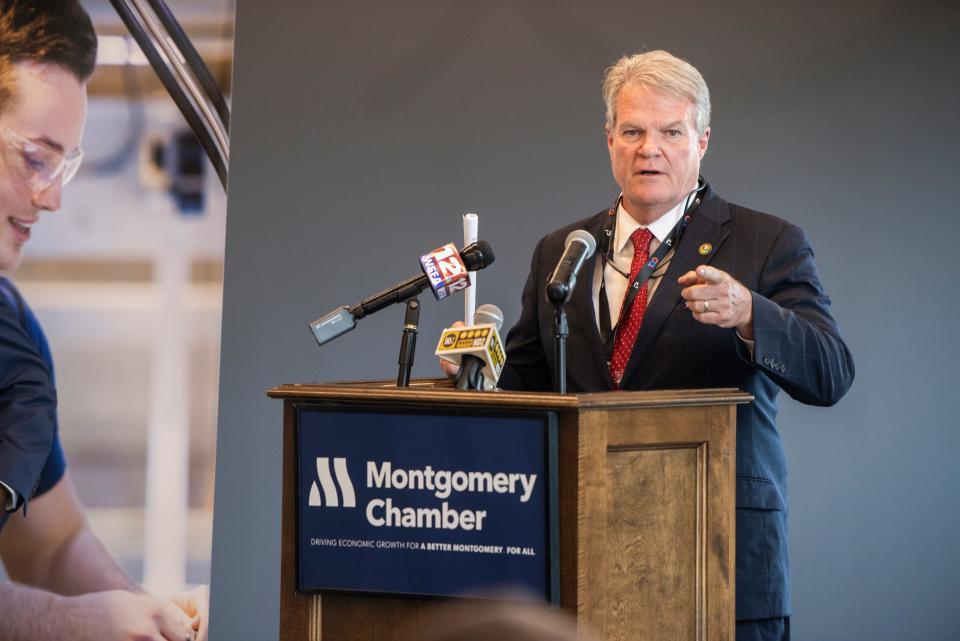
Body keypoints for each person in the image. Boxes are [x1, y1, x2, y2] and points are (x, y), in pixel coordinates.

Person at [446, 50, 854, 640]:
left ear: (703, 140)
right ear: (609, 138)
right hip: (584, 549)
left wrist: (749, 315)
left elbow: (832, 374)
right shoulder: (564, 248)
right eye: (633, 131)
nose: (649, 148)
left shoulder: (767, 242)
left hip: (717, 550)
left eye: (670, 131)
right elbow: (526, 390)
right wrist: (477, 375)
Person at [0, 1, 207, 639]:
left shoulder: (14, 340)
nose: (53, 197)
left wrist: (148, 616)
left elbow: (52, 544)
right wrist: (61, 625)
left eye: (65, 166)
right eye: (35, 159)